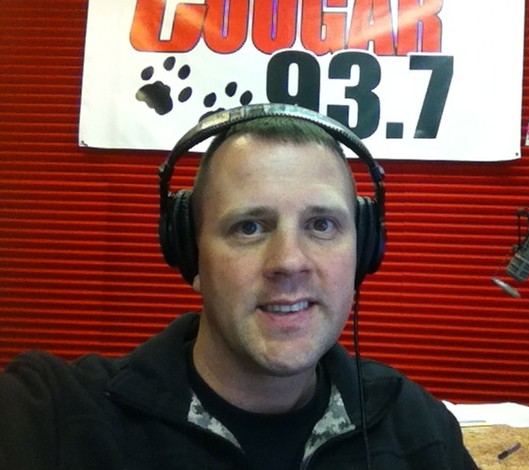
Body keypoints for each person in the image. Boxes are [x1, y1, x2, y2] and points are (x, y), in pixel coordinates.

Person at [0, 105, 478, 469]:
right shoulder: (49, 418)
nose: (289, 261)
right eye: (249, 227)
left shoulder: (416, 426)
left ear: (365, 249)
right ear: (191, 254)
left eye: (322, 225)